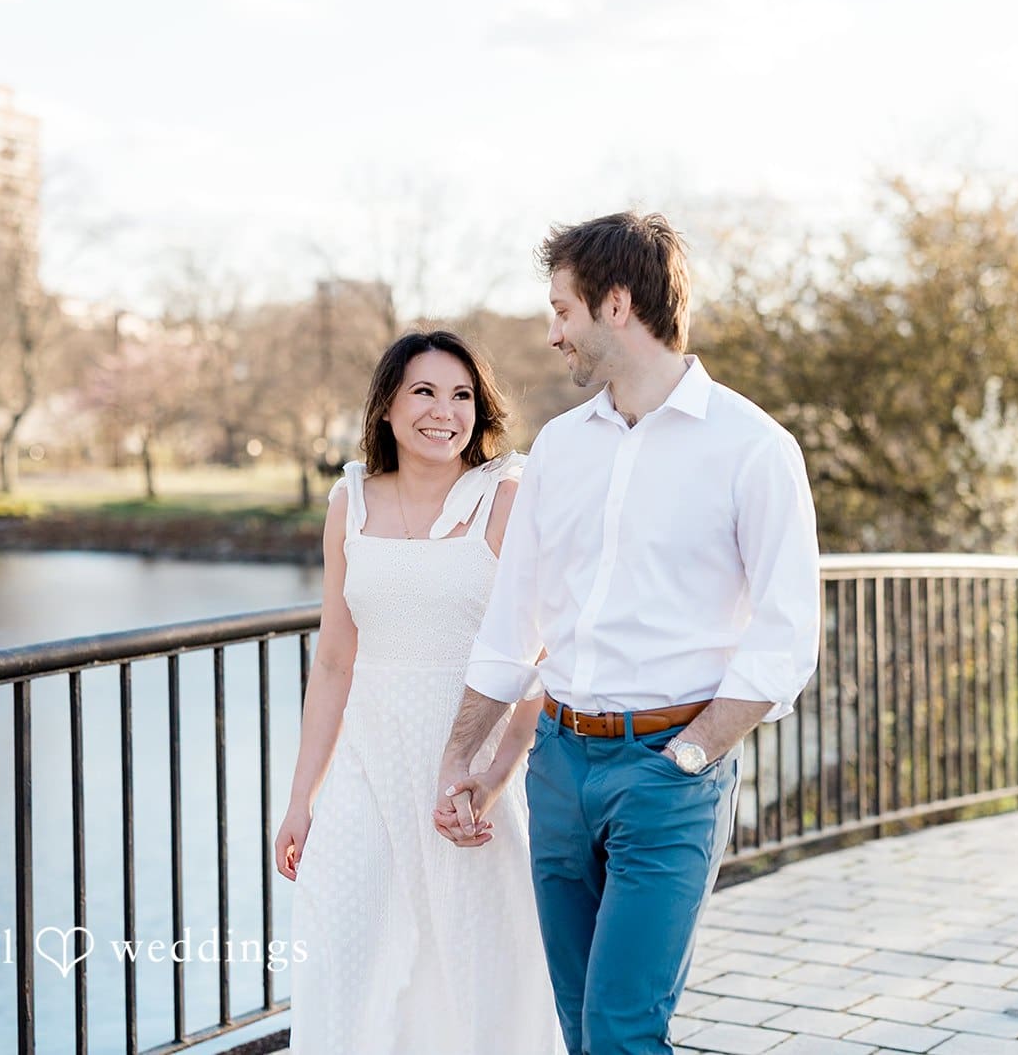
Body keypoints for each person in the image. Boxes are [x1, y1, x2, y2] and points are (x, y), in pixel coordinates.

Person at [434, 212, 821, 1055]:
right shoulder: (562, 449)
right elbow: (513, 624)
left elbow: (787, 634)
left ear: (616, 305)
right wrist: (460, 758)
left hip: (667, 777)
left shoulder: (753, 448)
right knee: (579, 1027)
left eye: (561, 310)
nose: (552, 334)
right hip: (560, 769)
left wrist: (691, 754)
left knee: (622, 1031)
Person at [272, 330, 561, 1054]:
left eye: (461, 394)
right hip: (367, 775)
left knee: (480, 972)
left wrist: (495, 776)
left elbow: (543, 655)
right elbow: (335, 660)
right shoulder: (351, 501)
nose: (445, 411)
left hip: (469, 784)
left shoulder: (506, 498)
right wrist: (301, 797)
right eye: (424, 392)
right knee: (344, 953)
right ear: (389, 408)